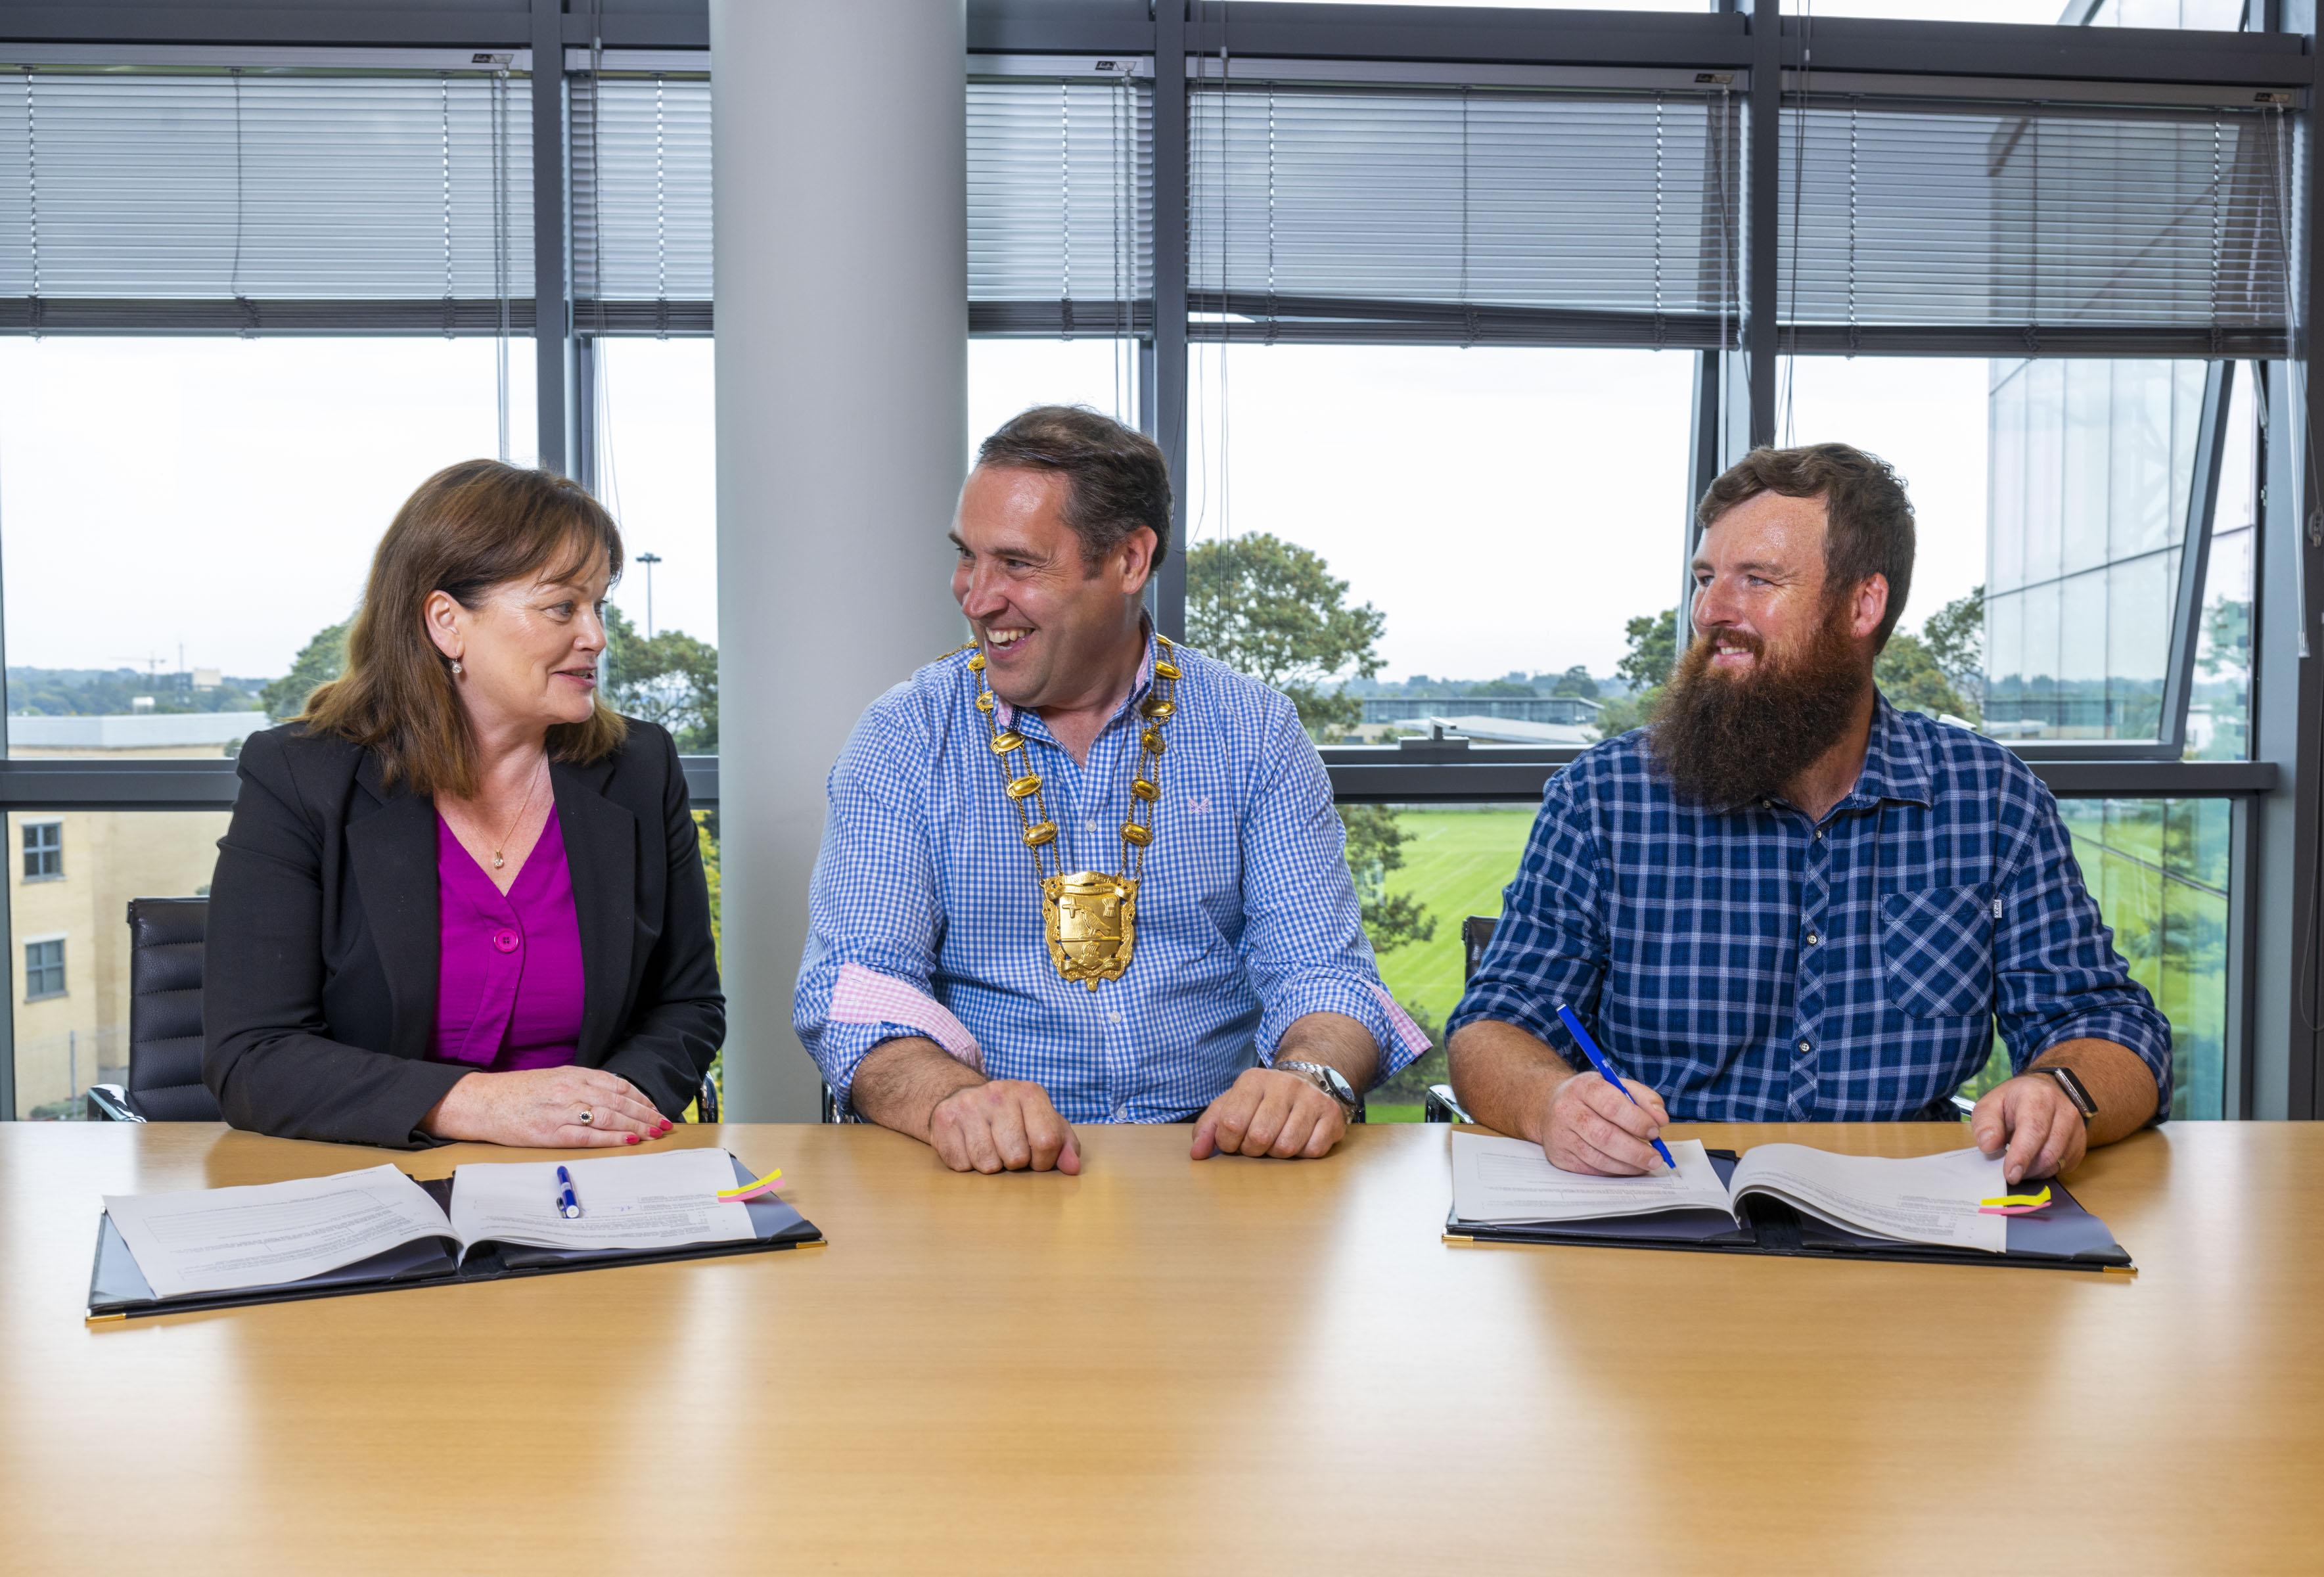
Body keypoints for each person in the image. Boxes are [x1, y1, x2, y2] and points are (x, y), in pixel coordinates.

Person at [1447, 442, 2171, 1187]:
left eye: (1756, 581)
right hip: (1657, 1212)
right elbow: (1493, 1026)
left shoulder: (1990, 802)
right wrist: (1551, 1101)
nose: (1709, 612)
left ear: (1863, 604)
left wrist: (2062, 1093)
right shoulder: (1602, 798)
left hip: (1907, 1230)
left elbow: (2112, 1026)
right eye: (1705, 579)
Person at [796, 405, 1427, 1174]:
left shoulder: (1254, 729)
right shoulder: (903, 737)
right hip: (990, 1169)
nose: (975, 595)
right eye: (968, 556)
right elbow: (860, 989)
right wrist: (948, 1101)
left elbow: (1322, 973)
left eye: (1019, 564)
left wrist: (1306, 1079)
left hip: (1215, 1165)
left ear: (1130, 562)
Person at [204, 460, 723, 1149]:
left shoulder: (639, 769)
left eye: (600, 605)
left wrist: (598, 1118)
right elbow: (254, 1057)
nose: (596, 636)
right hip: (370, 1186)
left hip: (592, 1184)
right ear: (447, 623)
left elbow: (686, 1006)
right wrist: (477, 1106)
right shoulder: (301, 777)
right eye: (562, 606)